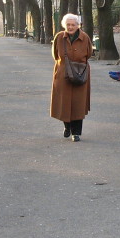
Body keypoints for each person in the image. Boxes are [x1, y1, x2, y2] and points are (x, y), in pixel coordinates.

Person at [50, 13, 93, 142]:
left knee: (78, 104)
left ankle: (76, 132)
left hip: (80, 73)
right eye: (68, 25)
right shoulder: (59, 37)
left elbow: (89, 53)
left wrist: (77, 64)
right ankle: (67, 127)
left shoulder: (85, 37)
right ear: (64, 25)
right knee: (64, 102)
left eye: (73, 25)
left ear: (77, 25)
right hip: (63, 73)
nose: (70, 27)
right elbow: (55, 55)